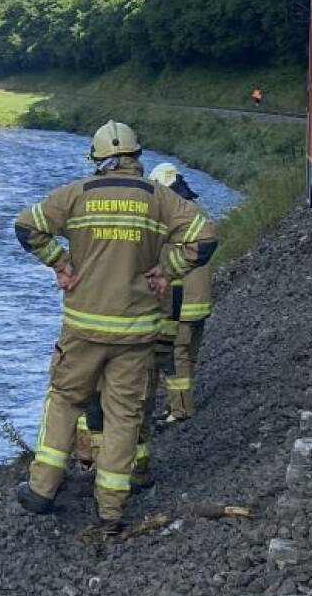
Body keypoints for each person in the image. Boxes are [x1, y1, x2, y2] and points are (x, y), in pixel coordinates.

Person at [12, 120, 217, 535]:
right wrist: (168, 269)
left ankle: (41, 489)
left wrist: (60, 262)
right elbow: (206, 236)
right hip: (136, 331)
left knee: (66, 401)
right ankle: (110, 511)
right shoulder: (160, 199)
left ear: (99, 161)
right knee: (124, 416)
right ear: (136, 158)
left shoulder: (76, 194)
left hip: (82, 328)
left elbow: (26, 226)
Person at [146, 163, 211, 424]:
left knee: (176, 355)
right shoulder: (196, 213)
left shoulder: (172, 219)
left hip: (181, 299)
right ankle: (184, 402)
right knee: (188, 354)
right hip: (201, 298)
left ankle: (181, 410)